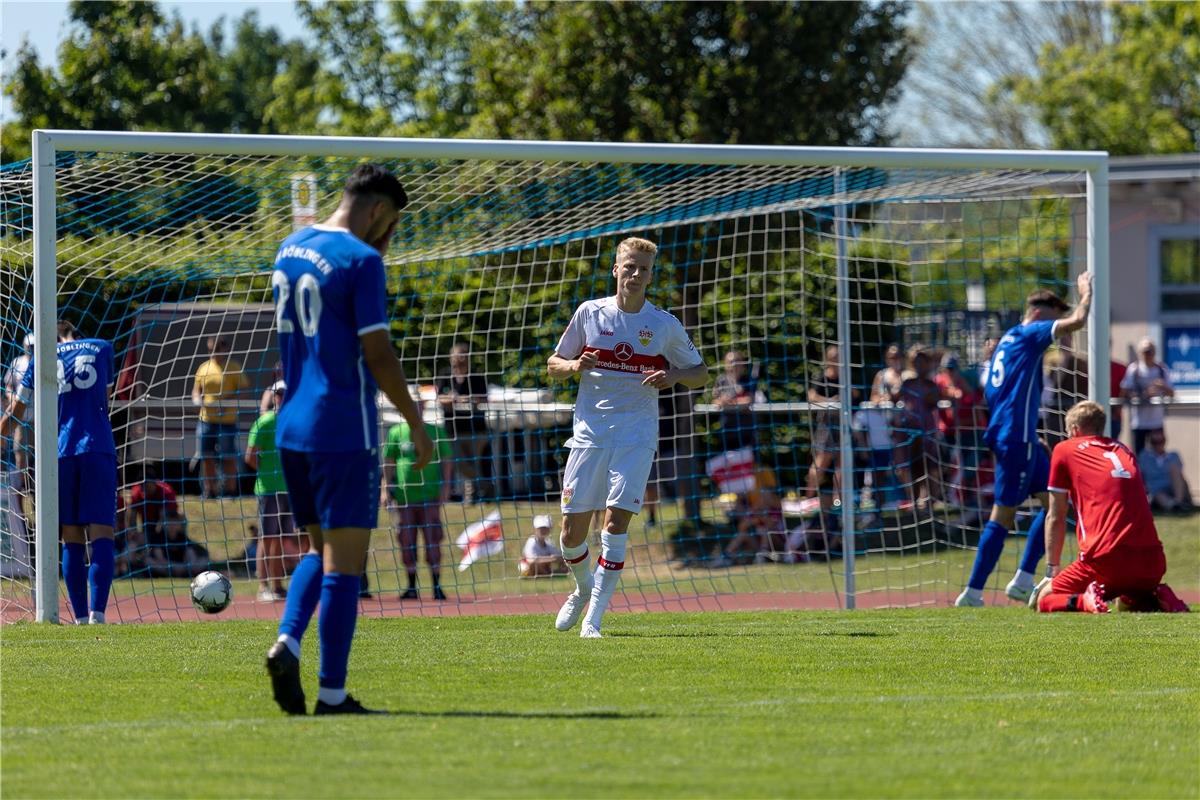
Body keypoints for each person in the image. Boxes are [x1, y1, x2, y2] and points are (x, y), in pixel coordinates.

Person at [264, 163, 432, 716]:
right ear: (379, 209)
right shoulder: (361, 261)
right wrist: (414, 421)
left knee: (319, 549)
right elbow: (378, 356)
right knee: (346, 565)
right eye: (393, 225)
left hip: (290, 428)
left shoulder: (290, 246)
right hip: (342, 429)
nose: (389, 237)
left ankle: (287, 640)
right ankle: (332, 695)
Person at [547, 236, 707, 638]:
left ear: (651, 276)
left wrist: (673, 376)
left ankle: (594, 620)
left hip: (637, 433)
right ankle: (584, 587)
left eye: (644, 269)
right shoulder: (589, 313)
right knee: (570, 534)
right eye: (629, 266)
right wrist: (574, 366)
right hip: (589, 433)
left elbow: (701, 373)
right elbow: (554, 363)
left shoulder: (663, 324)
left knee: (616, 524)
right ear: (616, 269)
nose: (636, 274)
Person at [956, 273, 1092, 607]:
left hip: (1019, 437)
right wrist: (1086, 294)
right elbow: (1077, 321)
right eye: (1054, 314)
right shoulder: (1031, 333)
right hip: (1015, 439)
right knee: (1003, 515)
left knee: (1058, 504)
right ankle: (972, 593)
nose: (1056, 322)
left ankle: (1023, 579)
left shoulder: (1007, 339)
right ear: (1039, 313)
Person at [0, 321, 117, 625]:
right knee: (102, 531)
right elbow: (106, 396)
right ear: (76, 331)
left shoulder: (42, 359)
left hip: (60, 453)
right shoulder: (102, 347)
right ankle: (98, 614)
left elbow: (17, 410)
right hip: (97, 447)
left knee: (71, 536)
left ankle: (78, 617)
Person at [1031, 401, 1188, 614]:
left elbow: (1056, 515)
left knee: (1045, 599)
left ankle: (1084, 602)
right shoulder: (1124, 450)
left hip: (1105, 560)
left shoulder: (1064, 449)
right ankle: (1155, 595)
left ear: (1075, 430)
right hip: (1152, 563)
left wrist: (1052, 571)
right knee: (1124, 600)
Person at [381, 400, 453, 600]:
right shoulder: (396, 432)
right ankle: (411, 586)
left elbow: (447, 461)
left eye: (419, 405)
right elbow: (389, 462)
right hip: (405, 498)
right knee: (406, 541)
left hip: (429, 496)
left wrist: (446, 487)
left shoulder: (435, 431)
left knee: (433, 540)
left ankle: (436, 586)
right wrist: (385, 489)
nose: (415, 409)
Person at [246, 380, 294, 601]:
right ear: (273, 396)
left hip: (289, 488)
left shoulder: (294, 421)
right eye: (279, 394)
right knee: (267, 538)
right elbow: (250, 456)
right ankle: (263, 586)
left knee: (283, 538)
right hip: (268, 490)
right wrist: (267, 472)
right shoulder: (265, 422)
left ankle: (277, 585)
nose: (282, 397)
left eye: (286, 393)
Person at [191, 336, 249, 498]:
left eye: (217, 349)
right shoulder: (203, 368)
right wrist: (197, 401)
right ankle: (210, 491)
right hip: (206, 420)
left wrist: (227, 403)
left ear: (225, 349)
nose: (213, 353)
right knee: (206, 456)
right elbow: (197, 390)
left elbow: (244, 391)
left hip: (227, 422)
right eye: (210, 350)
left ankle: (231, 490)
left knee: (228, 456)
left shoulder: (234, 367)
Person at [436, 342, 491, 503]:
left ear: (467, 358)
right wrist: (452, 399)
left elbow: (484, 399)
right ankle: (486, 485)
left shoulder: (477, 377)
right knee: (459, 463)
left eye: (460, 356)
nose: (456, 360)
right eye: (454, 356)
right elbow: (439, 398)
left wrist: (469, 400)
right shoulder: (445, 375)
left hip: (476, 430)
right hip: (452, 430)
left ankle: (470, 497)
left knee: (473, 464)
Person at [129, 470, 200, 576]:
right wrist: (133, 531)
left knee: (192, 554)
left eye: (147, 486)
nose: (145, 490)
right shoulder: (136, 492)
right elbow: (131, 515)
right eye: (142, 487)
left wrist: (158, 537)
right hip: (147, 528)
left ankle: (183, 569)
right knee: (134, 549)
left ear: (154, 483)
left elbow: (164, 518)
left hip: (164, 529)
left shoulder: (166, 492)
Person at [1120, 337, 1175, 456]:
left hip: (1156, 421)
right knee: (1139, 456)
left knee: (1158, 455)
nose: (1148, 355)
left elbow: (1171, 393)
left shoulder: (1162, 369)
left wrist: (1162, 387)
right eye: (1145, 351)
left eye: (1150, 351)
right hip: (1139, 422)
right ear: (1140, 353)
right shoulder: (1134, 370)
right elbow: (1124, 392)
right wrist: (1143, 394)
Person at [712, 350, 761, 452]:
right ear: (725, 365)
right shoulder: (721, 380)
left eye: (737, 362)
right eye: (730, 362)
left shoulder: (748, 380)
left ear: (742, 365)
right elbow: (716, 401)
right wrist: (724, 401)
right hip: (727, 432)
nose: (734, 365)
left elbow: (749, 400)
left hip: (746, 433)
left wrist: (729, 402)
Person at [3, 332, 34, 493]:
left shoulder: (48, 361)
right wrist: (13, 397)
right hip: (22, 419)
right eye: (30, 347)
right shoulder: (18, 362)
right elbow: (8, 384)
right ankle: (22, 491)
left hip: (44, 419)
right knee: (20, 456)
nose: (33, 349)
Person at [1138, 432, 1195, 513]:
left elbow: (1180, 473)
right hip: (1157, 491)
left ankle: (1178, 502)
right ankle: (1175, 506)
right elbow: (1140, 474)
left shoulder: (1173, 455)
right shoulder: (1145, 457)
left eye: (1160, 442)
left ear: (1164, 442)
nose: (1158, 445)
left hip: (1175, 488)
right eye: (1155, 442)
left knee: (1174, 469)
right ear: (1150, 443)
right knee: (1158, 496)